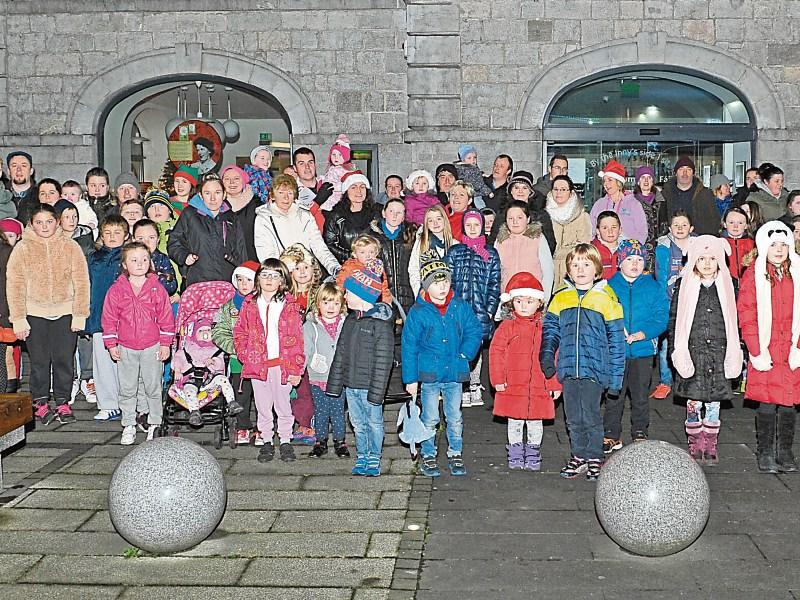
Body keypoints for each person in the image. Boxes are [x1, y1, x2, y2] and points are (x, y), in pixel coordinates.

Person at [540, 243, 625, 481]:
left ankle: (595, 456)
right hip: (568, 368)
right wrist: (547, 355)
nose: (580, 269)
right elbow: (550, 331)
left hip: (594, 370)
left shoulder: (606, 299)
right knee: (572, 417)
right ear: (568, 269)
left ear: (597, 269)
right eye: (575, 265)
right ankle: (578, 455)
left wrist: (616, 378)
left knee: (590, 416)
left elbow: (617, 341)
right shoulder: (561, 298)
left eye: (586, 264)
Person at [7, 204, 90, 425]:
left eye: (49, 221)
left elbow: (81, 282)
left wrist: (79, 313)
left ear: (57, 222)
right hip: (34, 313)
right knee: (40, 361)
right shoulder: (22, 249)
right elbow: (14, 285)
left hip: (65, 312)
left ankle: (63, 401)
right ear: (31, 224)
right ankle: (40, 402)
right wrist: (18, 318)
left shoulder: (71, 247)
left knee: (64, 359)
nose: (45, 226)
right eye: (39, 222)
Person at [403, 253, 482, 478]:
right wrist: (410, 379)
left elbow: (474, 330)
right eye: (436, 283)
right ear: (427, 286)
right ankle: (428, 454)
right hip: (429, 375)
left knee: (454, 416)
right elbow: (409, 346)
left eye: (445, 281)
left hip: (454, 373)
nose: (442, 287)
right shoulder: (418, 312)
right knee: (430, 417)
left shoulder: (459, 306)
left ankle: (455, 452)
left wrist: (466, 353)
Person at [670, 235, 741, 465]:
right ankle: (694, 439)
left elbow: (733, 318)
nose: (707, 263)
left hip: (718, 352)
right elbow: (675, 319)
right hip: (693, 350)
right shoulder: (685, 285)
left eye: (712, 258)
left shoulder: (728, 285)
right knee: (694, 399)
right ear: (693, 260)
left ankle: (710, 440)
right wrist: (675, 347)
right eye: (702, 258)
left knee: (714, 402)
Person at [738, 222, 800, 473]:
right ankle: (765, 451)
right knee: (766, 402)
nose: (779, 249)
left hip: (791, 348)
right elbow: (747, 312)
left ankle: (785, 451)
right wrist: (755, 350)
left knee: (789, 403)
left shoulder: (796, 272)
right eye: (774, 244)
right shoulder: (754, 275)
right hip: (766, 347)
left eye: (783, 245)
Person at [101, 242, 174, 444]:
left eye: (144, 259)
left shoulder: (157, 289)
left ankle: (155, 423)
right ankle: (129, 424)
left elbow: (166, 317)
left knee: (153, 387)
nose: (140, 263)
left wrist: (165, 343)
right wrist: (112, 344)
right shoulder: (116, 290)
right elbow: (109, 319)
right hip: (126, 346)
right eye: (134, 260)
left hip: (152, 346)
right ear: (124, 264)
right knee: (127, 388)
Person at [233, 259, 305, 463]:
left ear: (282, 280)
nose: (269, 280)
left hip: (282, 364)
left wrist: (296, 367)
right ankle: (265, 439)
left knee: (283, 404)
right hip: (258, 364)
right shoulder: (250, 304)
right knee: (263, 405)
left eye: (274, 275)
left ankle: (285, 440)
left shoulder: (289, 305)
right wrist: (245, 354)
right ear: (258, 279)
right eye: (265, 275)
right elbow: (240, 332)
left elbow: (297, 338)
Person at [327, 264, 395, 476]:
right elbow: (340, 353)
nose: (345, 297)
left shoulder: (380, 325)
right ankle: (363, 455)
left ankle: (374, 456)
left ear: (361, 294)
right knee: (357, 423)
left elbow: (383, 362)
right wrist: (335, 384)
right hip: (351, 385)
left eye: (348, 292)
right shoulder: (350, 320)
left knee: (374, 422)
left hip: (369, 387)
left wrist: (377, 393)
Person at [604, 240, 668, 454]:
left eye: (639, 259)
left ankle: (640, 430)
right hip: (616, 351)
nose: (635, 264)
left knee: (640, 394)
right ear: (620, 262)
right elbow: (602, 314)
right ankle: (611, 434)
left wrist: (645, 333)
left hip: (643, 351)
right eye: (629, 259)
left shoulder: (653, 286)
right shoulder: (609, 286)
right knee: (615, 394)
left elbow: (661, 317)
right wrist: (615, 329)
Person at [490, 272, 559, 471]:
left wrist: (554, 383)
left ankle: (533, 451)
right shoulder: (507, 327)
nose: (523, 305)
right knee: (515, 421)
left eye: (529, 301)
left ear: (539, 303)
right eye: (518, 301)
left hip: (539, 384)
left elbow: (554, 355)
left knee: (536, 422)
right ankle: (515, 452)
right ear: (512, 303)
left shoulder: (546, 328)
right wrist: (498, 379)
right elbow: (496, 352)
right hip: (513, 383)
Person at [444, 209, 501, 407]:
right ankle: (462, 385)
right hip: (459, 310)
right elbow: (447, 281)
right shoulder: (455, 252)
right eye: (468, 225)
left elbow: (495, 284)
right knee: (459, 347)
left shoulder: (490, 253)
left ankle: (475, 383)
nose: (473, 229)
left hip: (480, 309)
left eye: (476, 225)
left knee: (476, 347)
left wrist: (490, 310)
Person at [168, 174, 247, 287]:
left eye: (217, 192)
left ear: (224, 194)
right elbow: (173, 242)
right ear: (201, 195)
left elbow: (240, 249)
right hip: (198, 281)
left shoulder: (231, 217)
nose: (213, 198)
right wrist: (184, 256)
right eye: (207, 193)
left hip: (227, 282)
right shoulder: (189, 215)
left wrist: (243, 275)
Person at [212, 260, 260, 445]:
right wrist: (236, 348)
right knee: (241, 394)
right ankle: (243, 427)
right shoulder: (228, 307)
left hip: (261, 359)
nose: (244, 284)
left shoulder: (263, 304)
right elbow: (218, 330)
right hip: (238, 359)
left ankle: (264, 427)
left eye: (248, 280)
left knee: (263, 395)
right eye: (239, 280)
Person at [254, 174, 340, 274]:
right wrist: (281, 273)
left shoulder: (305, 215)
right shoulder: (264, 218)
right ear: (272, 195)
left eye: (290, 193)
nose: (286, 197)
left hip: (306, 272)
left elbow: (319, 246)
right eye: (281, 192)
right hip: (283, 275)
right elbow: (266, 254)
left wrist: (334, 267)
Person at [87, 215, 128, 421]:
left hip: (126, 320)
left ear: (126, 235)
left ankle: (127, 403)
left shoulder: (129, 257)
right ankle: (108, 403)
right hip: (99, 317)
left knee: (125, 363)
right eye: (108, 233)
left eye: (117, 233)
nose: (112, 237)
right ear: (101, 236)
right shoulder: (93, 258)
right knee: (102, 363)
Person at [304, 282, 350, 458]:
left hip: (340, 377)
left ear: (342, 305)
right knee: (321, 411)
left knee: (338, 411)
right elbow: (305, 350)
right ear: (318, 303)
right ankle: (320, 441)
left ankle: (340, 441)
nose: (331, 307)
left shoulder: (346, 323)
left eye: (336, 303)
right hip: (318, 376)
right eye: (326, 302)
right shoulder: (310, 326)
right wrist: (298, 370)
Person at [652, 210, 694, 400]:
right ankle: (665, 381)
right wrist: (661, 302)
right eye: (676, 225)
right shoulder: (663, 248)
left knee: (691, 343)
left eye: (684, 225)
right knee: (666, 345)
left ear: (691, 228)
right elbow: (660, 277)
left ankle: (688, 379)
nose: (679, 228)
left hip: (691, 301)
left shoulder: (698, 246)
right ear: (669, 228)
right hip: (669, 301)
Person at [495, 200, 554, 304]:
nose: (515, 222)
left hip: (533, 299)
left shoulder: (538, 238)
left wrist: (544, 300)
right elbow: (495, 273)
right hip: (508, 299)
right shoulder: (500, 241)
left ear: (528, 219)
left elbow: (548, 271)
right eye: (510, 218)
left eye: (519, 218)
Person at [369, 198, 415, 314]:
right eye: (391, 211)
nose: (394, 216)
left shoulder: (412, 235)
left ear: (404, 216)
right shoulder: (371, 236)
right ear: (384, 213)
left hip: (408, 297)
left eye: (399, 212)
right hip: (380, 298)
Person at [546, 174, 592, 286]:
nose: (559, 193)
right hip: (548, 269)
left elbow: (584, 246)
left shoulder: (582, 216)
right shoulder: (544, 215)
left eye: (563, 189)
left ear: (571, 193)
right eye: (555, 189)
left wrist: (560, 253)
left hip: (572, 270)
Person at [323, 170, 377, 264]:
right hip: (346, 267)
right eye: (353, 187)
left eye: (362, 187)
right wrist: (352, 256)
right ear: (346, 191)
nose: (359, 191)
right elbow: (329, 244)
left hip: (373, 267)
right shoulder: (336, 216)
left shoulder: (376, 213)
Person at [496, 170, 556, 253]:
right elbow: (493, 241)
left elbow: (550, 244)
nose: (520, 191)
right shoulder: (502, 214)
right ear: (511, 191)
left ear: (530, 192)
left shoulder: (541, 215)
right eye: (516, 188)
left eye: (525, 188)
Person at [589, 160, 648, 244]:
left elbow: (642, 232)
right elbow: (591, 230)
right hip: (602, 250)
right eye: (604, 181)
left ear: (619, 182)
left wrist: (633, 250)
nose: (606, 184)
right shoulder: (599, 204)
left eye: (610, 180)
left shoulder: (633, 204)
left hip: (627, 251)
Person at [659, 155, 718, 235]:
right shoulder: (665, 195)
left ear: (693, 173)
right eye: (681, 169)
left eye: (688, 169)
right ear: (675, 173)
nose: (685, 173)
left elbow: (713, 220)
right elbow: (661, 220)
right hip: (672, 240)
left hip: (699, 241)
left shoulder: (705, 194)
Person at [408, 204, 458, 296]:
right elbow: (413, 269)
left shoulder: (455, 245)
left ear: (445, 220)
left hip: (450, 296)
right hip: (426, 295)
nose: (435, 223)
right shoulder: (421, 243)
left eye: (438, 219)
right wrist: (418, 292)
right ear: (426, 224)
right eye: (430, 220)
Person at [336, 235, 392, 305]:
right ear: (355, 254)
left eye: (371, 252)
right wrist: (338, 299)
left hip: (372, 303)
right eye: (362, 252)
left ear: (376, 253)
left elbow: (384, 287)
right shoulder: (350, 266)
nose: (368, 255)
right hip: (352, 303)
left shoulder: (378, 268)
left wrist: (387, 303)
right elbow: (340, 282)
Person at [221, 164, 260, 261]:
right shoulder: (217, 206)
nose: (232, 182)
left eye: (236, 178)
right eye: (227, 179)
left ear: (243, 180)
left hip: (252, 259)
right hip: (224, 262)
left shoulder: (257, 205)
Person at [132, 219, 178, 298]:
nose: (146, 242)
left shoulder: (162, 259)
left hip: (156, 304)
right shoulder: (128, 259)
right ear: (133, 240)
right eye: (140, 238)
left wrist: (154, 276)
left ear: (158, 239)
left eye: (151, 237)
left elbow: (172, 287)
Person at [633, 165, 665, 271]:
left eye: (649, 178)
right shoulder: (631, 201)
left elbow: (665, 223)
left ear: (653, 181)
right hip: (638, 247)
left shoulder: (662, 201)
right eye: (642, 177)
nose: (646, 181)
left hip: (658, 247)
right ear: (638, 181)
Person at [280, 243, 323, 316]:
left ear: (313, 269)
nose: (302, 272)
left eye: (306, 267)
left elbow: (342, 281)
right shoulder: (284, 295)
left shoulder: (321, 292)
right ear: (291, 272)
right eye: (297, 268)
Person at [721, 207, 755, 285]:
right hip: (726, 284)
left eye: (740, 223)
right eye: (731, 222)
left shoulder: (753, 245)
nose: (735, 226)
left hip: (748, 284)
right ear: (725, 224)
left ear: (746, 225)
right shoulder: (719, 244)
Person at [321, 134, 355, 210]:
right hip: (330, 194)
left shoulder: (343, 170)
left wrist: (333, 186)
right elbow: (329, 178)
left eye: (340, 155)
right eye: (333, 154)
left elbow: (346, 184)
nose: (336, 158)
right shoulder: (333, 168)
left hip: (337, 197)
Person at [591, 211, 622, 280]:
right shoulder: (591, 251)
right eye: (605, 228)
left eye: (614, 227)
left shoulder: (627, 250)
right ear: (598, 231)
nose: (610, 231)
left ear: (620, 230)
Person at [6, 151, 36, 216]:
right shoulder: (1, 194)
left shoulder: (41, 195)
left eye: (24, 166)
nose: (19, 169)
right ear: (8, 171)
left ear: (31, 171)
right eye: (14, 166)